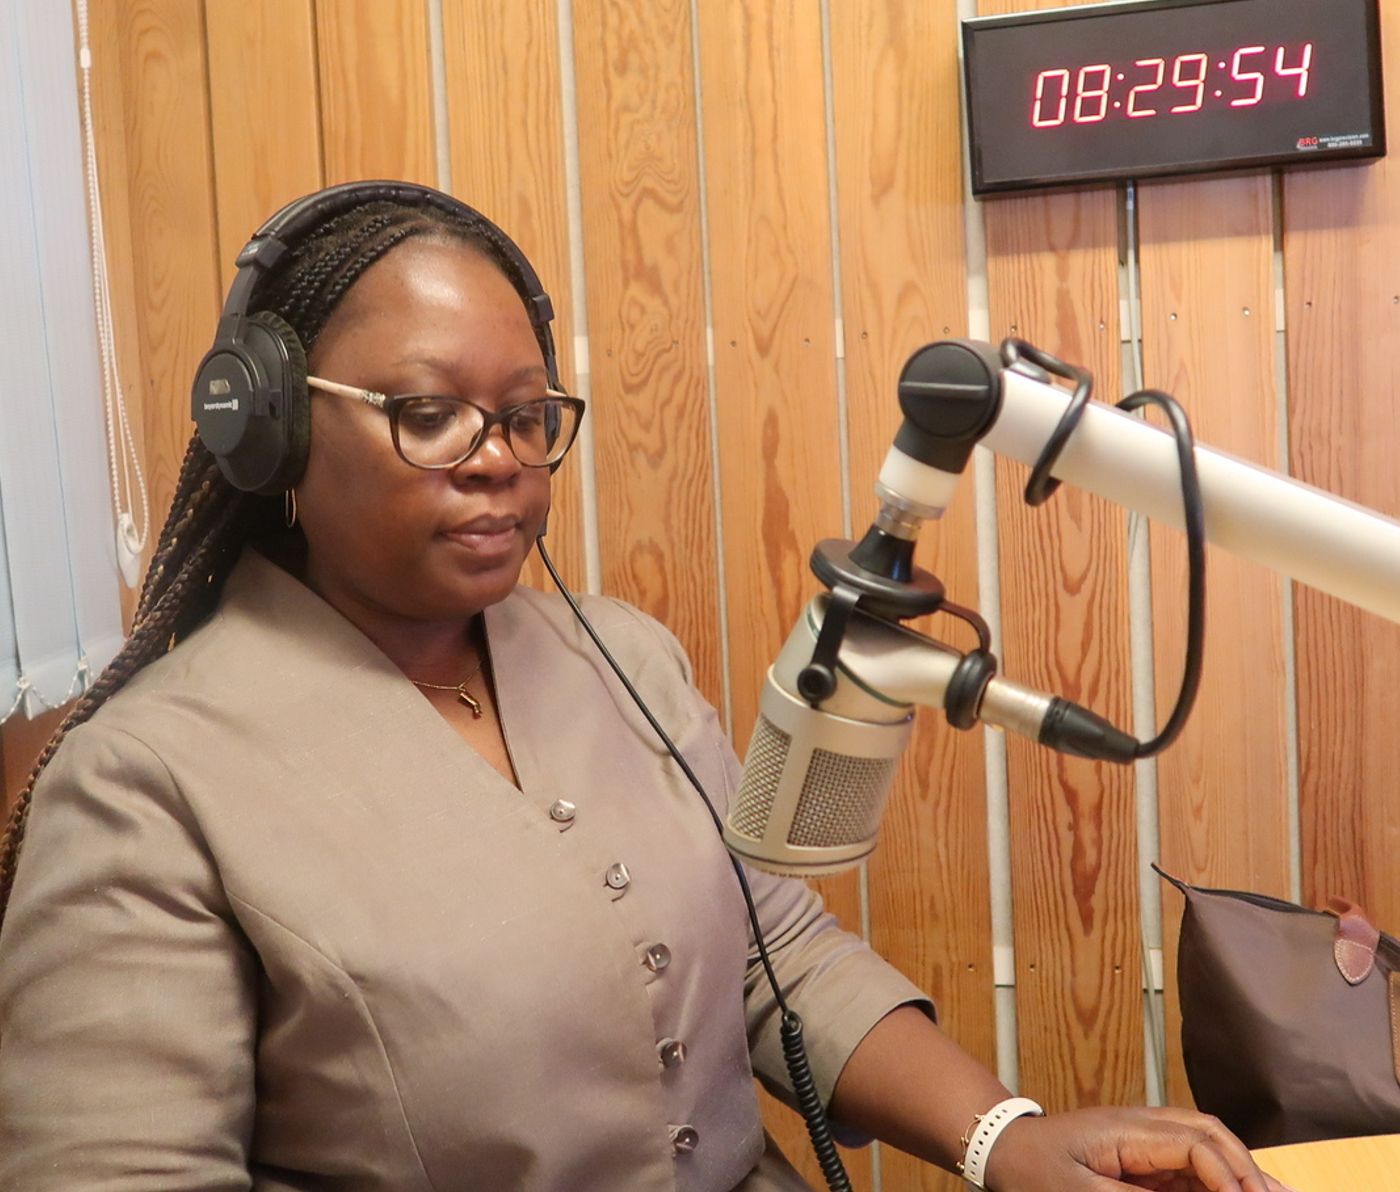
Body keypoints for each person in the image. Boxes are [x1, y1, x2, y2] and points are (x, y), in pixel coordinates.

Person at [0, 184, 1289, 1192]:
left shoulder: (619, 654)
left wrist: (1002, 1137)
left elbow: (773, 948)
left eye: (526, 415)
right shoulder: (146, 782)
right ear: (272, 430)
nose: (497, 460)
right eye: (429, 413)